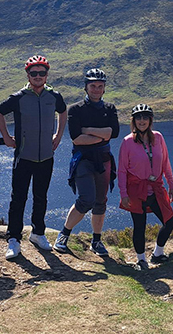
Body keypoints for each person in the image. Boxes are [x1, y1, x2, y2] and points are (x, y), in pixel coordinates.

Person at [0, 55, 67, 260]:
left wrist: (59, 135)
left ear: (46, 75)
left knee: (41, 197)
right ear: (27, 74)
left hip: (46, 156)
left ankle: (37, 233)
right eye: (33, 73)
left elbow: (63, 112)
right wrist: (7, 137)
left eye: (41, 73)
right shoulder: (19, 97)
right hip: (23, 156)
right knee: (18, 198)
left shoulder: (54, 96)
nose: (37, 76)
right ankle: (14, 239)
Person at [53, 68, 120, 256]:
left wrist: (88, 130)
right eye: (93, 86)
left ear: (104, 88)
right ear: (86, 87)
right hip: (83, 160)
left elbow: (114, 133)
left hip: (104, 160)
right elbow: (76, 138)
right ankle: (64, 234)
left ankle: (96, 242)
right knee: (86, 199)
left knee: (101, 202)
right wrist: (102, 135)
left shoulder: (110, 109)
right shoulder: (75, 109)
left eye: (100, 86)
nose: (96, 89)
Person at [118, 104, 173, 270]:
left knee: (170, 221)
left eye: (145, 117)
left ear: (150, 120)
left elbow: (165, 162)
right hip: (136, 190)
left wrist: (171, 184)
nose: (142, 121)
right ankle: (141, 259)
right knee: (139, 226)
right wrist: (124, 194)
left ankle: (158, 253)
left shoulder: (158, 137)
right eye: (138, 118)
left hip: (156, 188)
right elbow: (121, 170)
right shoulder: (127, 142)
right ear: (133, 121)